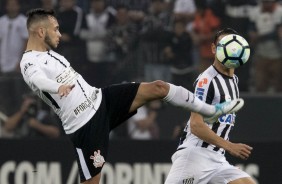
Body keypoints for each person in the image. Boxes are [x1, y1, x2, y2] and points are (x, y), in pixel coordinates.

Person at [20, 9, 244, 184]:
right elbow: (38, 80)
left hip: (101, 100)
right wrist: (55, 87)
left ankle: (210, 110)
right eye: (56, 29)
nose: (60, 33)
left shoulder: (49, 52)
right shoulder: (29, 62)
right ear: (41, 32)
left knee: (158, 87)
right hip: (85, 126)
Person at [164, 28, 256, 184]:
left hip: (217, 159)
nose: (229, 49)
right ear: (214, 49)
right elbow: (196, 125)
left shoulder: (234, 80)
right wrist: (230, 146)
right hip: (196, 156)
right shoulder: (207, 80)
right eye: (222, 45)